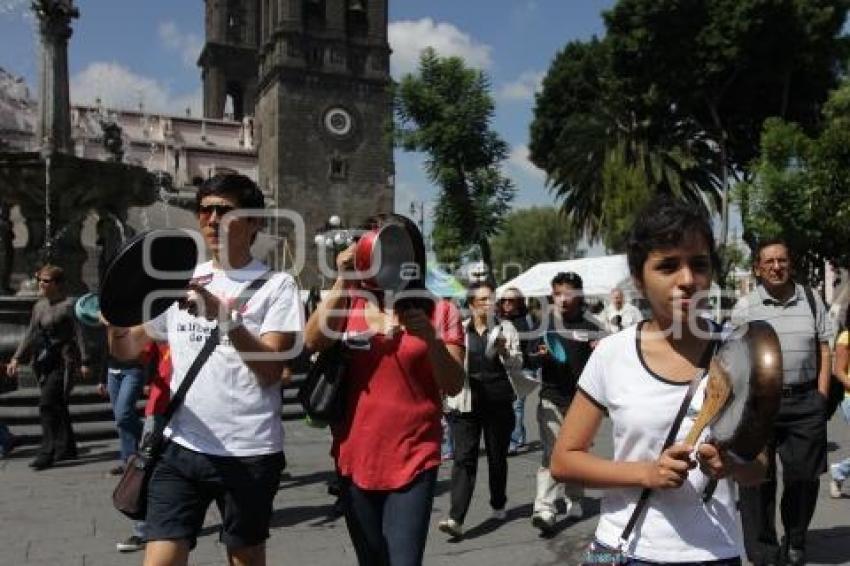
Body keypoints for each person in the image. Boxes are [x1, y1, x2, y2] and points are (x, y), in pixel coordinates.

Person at [550, 197, 767, 565]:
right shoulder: (612, 354)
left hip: (715, 550)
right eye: (668, 266)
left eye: (699, 264)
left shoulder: (739, 351)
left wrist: (731, 465)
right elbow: (564, 461)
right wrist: (645, 473)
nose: (687, 280)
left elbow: (760, 467)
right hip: (629, 549)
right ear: (639, 279)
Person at [106, 173, 303, 566]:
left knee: (244, 556)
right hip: (181, 446)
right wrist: (114, 317)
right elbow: (130, 346)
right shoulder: (181, 279)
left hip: (248, 451)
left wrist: (224, 317)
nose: (212, 219)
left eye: (225, 210)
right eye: (205, 210)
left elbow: (270, 370)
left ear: (254, 222)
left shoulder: (277, 286)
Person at [304, 213, 465, 566]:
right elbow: (312, 341)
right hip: (354, 454)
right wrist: (344, 279)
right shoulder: (351, 302)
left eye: (396, 245)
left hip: (415, 455)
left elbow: (454, 385)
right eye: (377, 242)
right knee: (372, 560)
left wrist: (430, 340)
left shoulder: (440, 310)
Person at [733, 238, 832, 566]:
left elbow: (824, 347)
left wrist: (820, 394)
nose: (776, 267)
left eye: (782, 261)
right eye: (769, 262)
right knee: (757, 480)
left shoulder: (812, 299)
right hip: (758, 405)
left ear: (790, 264)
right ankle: (763, 551)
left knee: (804, 476)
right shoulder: (745, 307)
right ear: (758, 269)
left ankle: (796, 539)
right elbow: (734, 355)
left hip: (805, 401)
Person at [437, 281, 523, 539]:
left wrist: (506, 352)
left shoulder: (506, 328)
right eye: (483, 299)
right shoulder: (460, 329)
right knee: (464, 459)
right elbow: (449, 362)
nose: (490, 303)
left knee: (497, 458)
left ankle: (498, 502)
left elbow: (518, 363)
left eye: (491, 299)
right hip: (466, 402)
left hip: (498, 401)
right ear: (472, 304)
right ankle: (456, 518)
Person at [530, 271, 605, 533]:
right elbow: (530, 359)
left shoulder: (592, 325)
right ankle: (545, 509)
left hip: (582, 402)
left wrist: (600, 350)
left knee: (576, 454)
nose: (562, 299)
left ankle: (574, 498)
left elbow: (606, 362)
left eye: (568, 294)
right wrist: (540, 356)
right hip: (551, 397)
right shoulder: (543, 324)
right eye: (557, 294)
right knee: (551, 454)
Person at [6, 264, 91, 470]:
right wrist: (16, 358)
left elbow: (81, 334)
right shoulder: (39, 306)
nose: (41, 284)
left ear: (58, 284)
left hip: (63, 362)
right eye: (40, 280)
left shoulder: (69, 305)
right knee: (57, 404)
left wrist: (86, 361)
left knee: (46, 404)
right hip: (44, 361)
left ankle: (47, 452)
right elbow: (30, 333)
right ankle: (67, 448)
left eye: (46, 281)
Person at [498, 286, 536, 455]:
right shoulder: (497, 320)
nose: (507, 304)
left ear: (519, 302)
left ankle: (516, 441)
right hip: (503, 369)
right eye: (504, 300)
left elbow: (534, 343)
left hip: (524, 368)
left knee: (517, 406)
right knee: (506, 407)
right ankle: (512, 438)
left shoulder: (527, 320)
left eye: (511, 300)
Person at [829, 306, 850, 499]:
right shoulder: (846, 338)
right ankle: (839, 472)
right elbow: (839, 371)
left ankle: (840, 471)